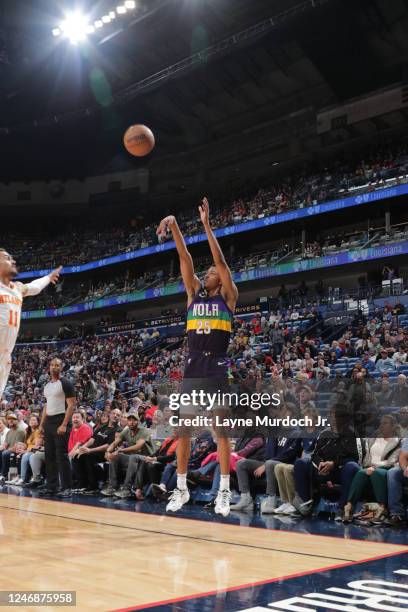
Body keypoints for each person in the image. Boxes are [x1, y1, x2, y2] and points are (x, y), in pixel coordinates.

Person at [156, 197, 238, 517]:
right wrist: (176, 224)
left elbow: (219, 261)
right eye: (205, 272)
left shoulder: (229, 297)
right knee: (184, 430)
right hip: (193, 364)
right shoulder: (193, 293)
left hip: (216, 363)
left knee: (221, 430)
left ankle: (224, 492)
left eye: (211, 272)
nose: (207, 273)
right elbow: (184, 256)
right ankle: (181, 488)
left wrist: (207, 227)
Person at [0, 249, 61, 399]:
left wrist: (48, 277)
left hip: (5, 357)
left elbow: (34, 287)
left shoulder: (17, 288)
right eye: (8, 258)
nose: (13, 261)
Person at [342, 415, 401, 524]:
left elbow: (392, 461)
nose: (381, 426)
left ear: (393, 426)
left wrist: (375, 467)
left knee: (376, 473)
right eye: (381, 423)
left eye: (385, 423)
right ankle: (349, 506)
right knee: (360, 473)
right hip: (368, 467)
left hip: (385, 468)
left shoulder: (398, 442)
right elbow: (363, 452)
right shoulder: (373, 439)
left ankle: (382, 508)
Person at [39, 358, 76, 497]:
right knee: (49, 455)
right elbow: (46, 406)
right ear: (49, 367)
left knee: (61, 456)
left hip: (61, 420)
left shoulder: (65, 383)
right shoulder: (47, 385)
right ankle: (52, 486)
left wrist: (64, 424)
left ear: (62, 367)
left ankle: (67, 488)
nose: (55, 367)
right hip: (49, 421)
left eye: (57, 365)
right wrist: (42, 424)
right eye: (53, 365)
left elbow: (71, 405)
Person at [75, 408, 122, 493]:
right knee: (77, 455)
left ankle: (93, 486)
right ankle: (82, 484)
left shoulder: (118, 430)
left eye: (118, 415)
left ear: (120, 418)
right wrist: (81, 449)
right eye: (114, 413)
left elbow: (108, 446)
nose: (115, 416)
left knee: (88, 456)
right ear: (110, 415)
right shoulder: (102, 427)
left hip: (104, 454)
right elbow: (92, 439)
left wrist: (90, 450)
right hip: (93, 451)